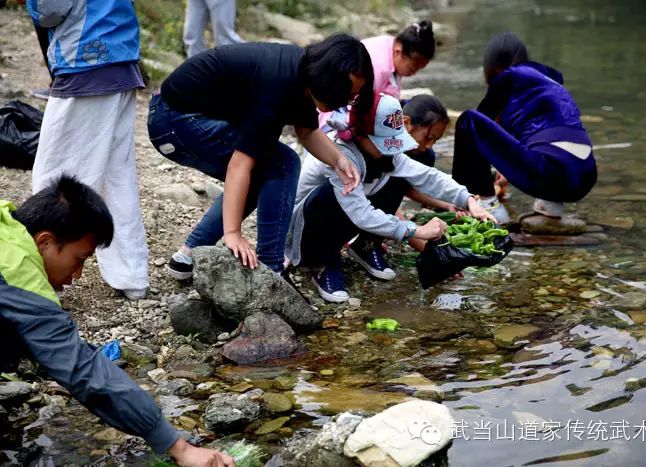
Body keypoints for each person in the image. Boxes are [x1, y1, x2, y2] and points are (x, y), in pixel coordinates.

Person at [0, 176, 234, 466]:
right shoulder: (17, 271)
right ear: (44, 242)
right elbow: (82, 368)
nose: (78, 275)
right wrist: (179, 447)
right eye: (79, 259)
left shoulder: (5, 227)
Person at [148, 34, 372, 280]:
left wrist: (339, 160)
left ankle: (187, 256)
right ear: (330, 80)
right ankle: (270, 271)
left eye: (354, 96)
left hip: (184, 116)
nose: (349, 101)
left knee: (265, 169)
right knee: (281, 165)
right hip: (173, 120)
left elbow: (307, 131)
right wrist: (233, 232)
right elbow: (239, 165)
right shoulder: (279, 82)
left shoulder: (305, 74)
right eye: (348, 93)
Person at [286, 93, 495, 303]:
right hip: (303, 230)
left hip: (343, 219)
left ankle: (366, 245)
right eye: (383, 142)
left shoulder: (385, 154)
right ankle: (321, 261)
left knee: (397, 177)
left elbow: (427, 176)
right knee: (332, 193)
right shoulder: (340, 154)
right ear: (362, 133)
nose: (390, 148)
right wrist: (417, 231)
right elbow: (361, 214)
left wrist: (468, 201)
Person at [27, 0, 150, 300]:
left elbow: (49, 9)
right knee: (114, 176)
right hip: (120, 55)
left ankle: (36, 281)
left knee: (55, 180)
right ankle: (131, 275)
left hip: (85, 57)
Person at [452, 32, 597, 224]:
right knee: (551, 145)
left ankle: (487, 205)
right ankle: (551, 205)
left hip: (551, 176)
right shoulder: (549, 82)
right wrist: (505, 169)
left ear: (494, 66)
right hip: (586, 177)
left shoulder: (508, 77)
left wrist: (465, 187)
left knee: (468, 121)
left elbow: (479, 128)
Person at [345, 94, 454, 279]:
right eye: (427, 137)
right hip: (353, 209)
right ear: (407, 123)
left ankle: (371, 241)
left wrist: (449, 204)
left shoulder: (420, 155)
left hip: (367, 208)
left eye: (434, 140)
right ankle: (364, 245)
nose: (428, 146)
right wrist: (430, 250)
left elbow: (414, 186)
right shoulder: (373, 149)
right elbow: (380, 203)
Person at [318, 20, 436, 132]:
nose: (414, 73)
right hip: (334, 117)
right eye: (413, 68)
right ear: (398, 52)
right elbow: (360, 108)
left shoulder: (393, 44)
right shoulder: (378, 68)